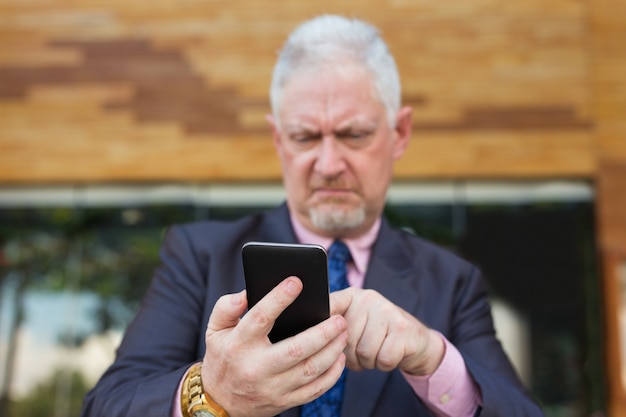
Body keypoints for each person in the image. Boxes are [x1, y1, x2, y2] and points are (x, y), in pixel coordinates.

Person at [80, 15, 544, 417]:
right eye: (304, 137)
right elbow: (108, 405)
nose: (327, 164)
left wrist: (433, 357)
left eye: (354, 134)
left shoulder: (452, 282)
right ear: (278, 138)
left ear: (399, 132)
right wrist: (212, 393)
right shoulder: (198, 256)